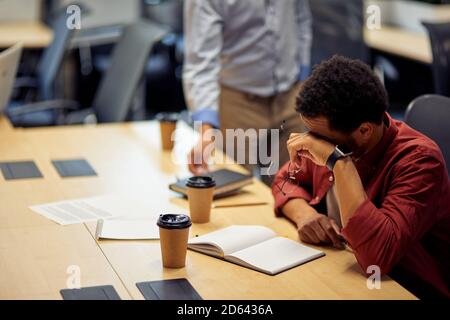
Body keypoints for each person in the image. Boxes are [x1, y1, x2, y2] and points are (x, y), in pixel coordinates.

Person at [272, 55, 450, 299]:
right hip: (341, 268)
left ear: (365, 130)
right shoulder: (327, 136)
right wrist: (305, 214)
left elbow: (377, 257)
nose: (311, 143)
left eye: (320, 139)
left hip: (403, 286)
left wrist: (338, 162)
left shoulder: (420, 160)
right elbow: (285, 180)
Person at [183, 0, 312, 176]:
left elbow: (301, 18)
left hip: (290, 96)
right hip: (237, 101)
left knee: (294, 186)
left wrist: (303, 77)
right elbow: (200, 62)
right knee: (234, 190)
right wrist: (207, 129)